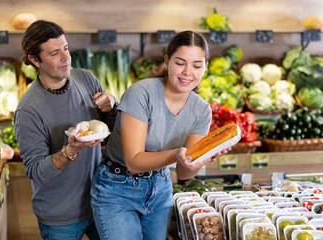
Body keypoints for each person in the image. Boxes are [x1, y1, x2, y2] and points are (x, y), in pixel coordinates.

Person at [90, 30, 230, 240]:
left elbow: (184, 172)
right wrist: (178, 154)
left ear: (205, 67)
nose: (187, 72)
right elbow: (134, 161)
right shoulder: (141, 93)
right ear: (167, 61)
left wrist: (202, 158)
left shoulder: (202, 110)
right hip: (116, 188)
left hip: (160, 188)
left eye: (196, 65)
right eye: (180, 63)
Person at [14, 20, 117, 240]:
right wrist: (70, 151)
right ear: (35, 60)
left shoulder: (86, 79)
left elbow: (111, 129)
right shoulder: (29, 110)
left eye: (66, 48)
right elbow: (35, 171)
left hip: (99, 202)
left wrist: (112, 106)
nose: (66, 58)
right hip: (60, 217)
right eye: (54, 53)